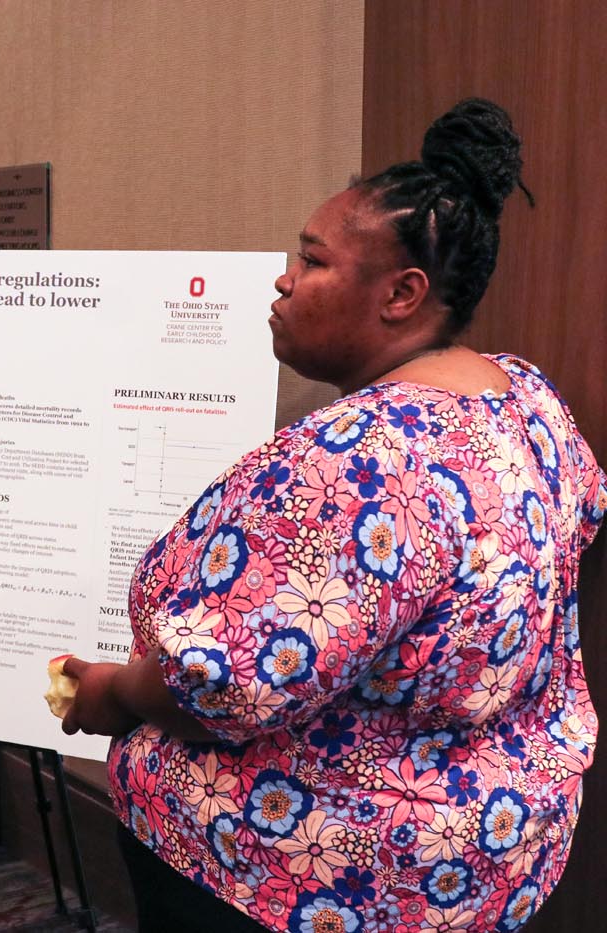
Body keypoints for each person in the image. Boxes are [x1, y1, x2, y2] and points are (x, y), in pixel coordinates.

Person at [61, 99, 605, 932]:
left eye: (312, 260)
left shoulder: (356, 457)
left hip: (310, 874)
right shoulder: (525, 397)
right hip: (486, 857)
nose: (285, 278)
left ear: (401, 293)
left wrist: (109, 692)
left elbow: (219, 681)